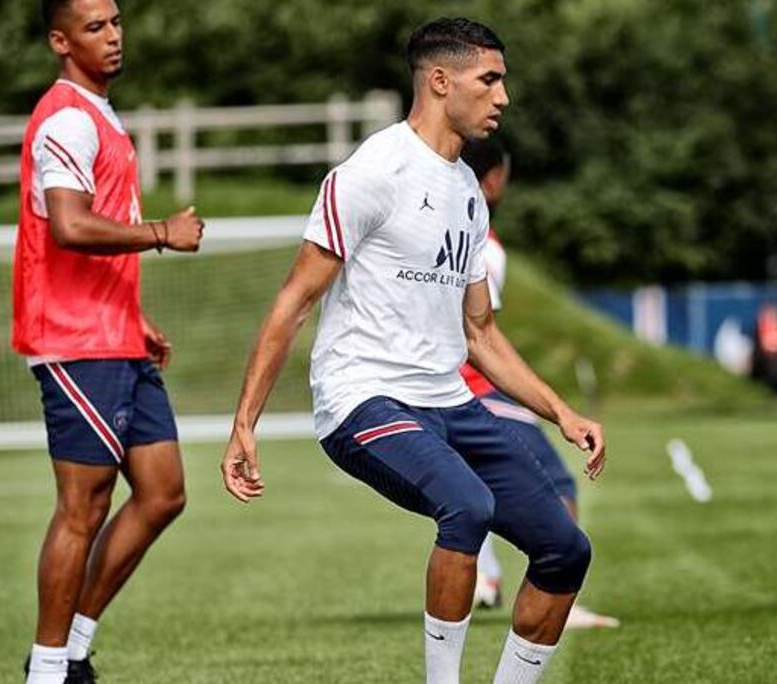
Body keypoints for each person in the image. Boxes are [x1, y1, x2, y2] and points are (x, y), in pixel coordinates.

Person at [220, 18, 606, 684]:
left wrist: (560, 412)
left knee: (565, 550)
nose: (503, 96)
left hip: (448, 402)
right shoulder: (373, 172)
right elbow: (293, 302)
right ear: (439, 80)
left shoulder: (467, 197)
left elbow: (480, 335)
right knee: (469, 505)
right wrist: (243, 424)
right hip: (362, 399)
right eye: (490, 79)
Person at [16, 1, 205, 682]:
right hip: (73, 340)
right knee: (83, 507)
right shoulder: (67, 117)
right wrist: (161, 232)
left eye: (117, 21)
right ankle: (47, 671)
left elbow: (90, 236)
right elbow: (68, 225)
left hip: (112, 333)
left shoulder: (100, 115)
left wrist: (132, 312)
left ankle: (73, 650)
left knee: (162, 492)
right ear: (60, 40)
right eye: (95, 27)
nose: (114, 35)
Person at [458, 139, 620, 630]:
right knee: (559, 483)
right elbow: (480, 335)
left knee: (469, 491)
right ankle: (557, 599)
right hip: (469, 387)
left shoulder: (435, 224)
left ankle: (485, 578)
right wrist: (551, 402)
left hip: (430, 384)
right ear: (493, 181)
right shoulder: (484, 244)